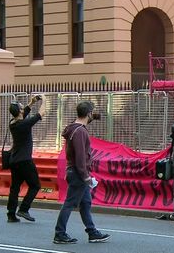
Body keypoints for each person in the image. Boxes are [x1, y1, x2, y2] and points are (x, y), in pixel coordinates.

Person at [54, 100, 110, 244]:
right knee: (70, 203)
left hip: (75, 171)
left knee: (85, 203)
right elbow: (80, 156)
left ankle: (92, 232)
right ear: (88, 114)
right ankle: (60, 233)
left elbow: (72, 152)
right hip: (79, 173)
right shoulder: (80, 132)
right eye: (92, 113)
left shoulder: (75, 128)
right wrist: (86, 177)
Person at [7, 95, 46, 223]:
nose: (24, 109)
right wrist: (44, 100)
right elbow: (41, 113)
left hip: (14, 160)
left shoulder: (13, 123)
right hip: (25, 160)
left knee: (15, 187)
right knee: (35, 185)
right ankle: (24, 209)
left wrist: (32, 102)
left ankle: (11, 214)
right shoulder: (24, 124)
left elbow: (24, 113)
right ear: (20, 111)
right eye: (22, 108)